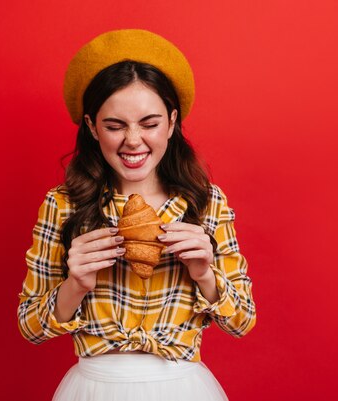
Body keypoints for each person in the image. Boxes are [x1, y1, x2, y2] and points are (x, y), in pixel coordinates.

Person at [17, 29, 256, 401]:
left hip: (183, 388)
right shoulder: (63, 205)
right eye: (115, 126)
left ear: (172, 122)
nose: (133, 140)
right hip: (94, 387)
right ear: (93, 127)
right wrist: (75, 284)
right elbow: (31, 328)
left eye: (149, 123)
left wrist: (204, 273)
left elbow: (242, 322)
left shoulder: (205, 204)